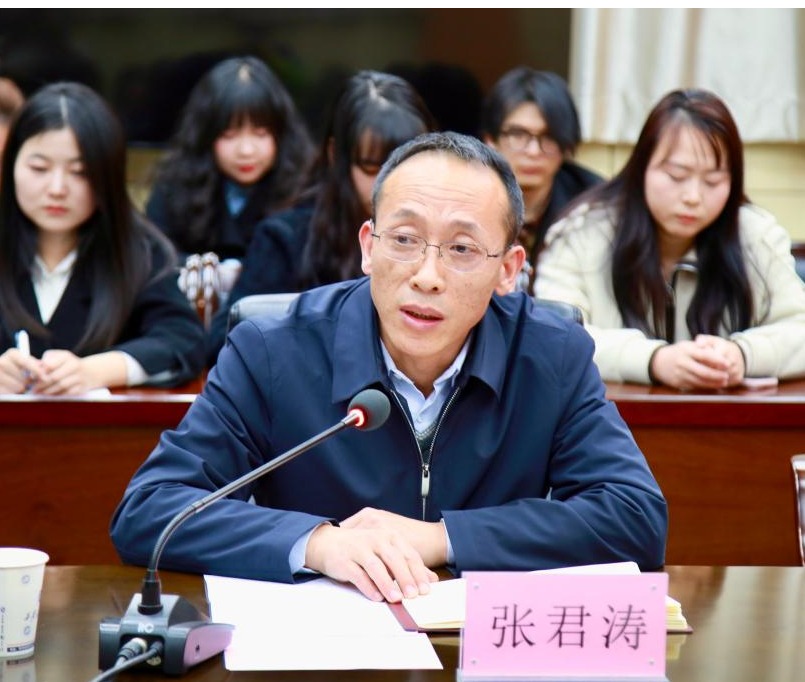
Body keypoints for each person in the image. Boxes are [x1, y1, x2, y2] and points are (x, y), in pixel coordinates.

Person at [110, 131, 668, 605]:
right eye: (404, 239)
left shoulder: (551, 354)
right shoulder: (273, 350)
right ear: (368, 247)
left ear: (508, 270)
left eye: (462, 249)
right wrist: (319, 543)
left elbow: (635, 517)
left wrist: (443, 539)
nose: (427, 276)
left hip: (476, 649)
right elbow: (151, 510)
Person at [534, 88, 805, 390]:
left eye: (713, 180)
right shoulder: (581, 234)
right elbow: (552, 337)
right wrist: (653, 360)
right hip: (607, 416)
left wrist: (742, 355)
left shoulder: (756, 236)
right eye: (677, 176)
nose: (693, 197)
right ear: (642, 168)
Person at [204, 69, 437, 365]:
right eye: (371, 167)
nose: (391, 183)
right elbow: (226, 342)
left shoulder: (448, 237)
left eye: (406, 166)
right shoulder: (286, 239)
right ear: (335, 154)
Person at [0, 82, 205, 395]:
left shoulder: (140, 252)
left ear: (107, 177)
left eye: (80, 172)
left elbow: (183, 340)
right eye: (39, 168)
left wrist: (96, 370)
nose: (57, 188)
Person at [145, 55, 314, 262]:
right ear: (206, 135)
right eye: (229, 135)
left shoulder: (306, 190)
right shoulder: (173, 186)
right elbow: (156, 259)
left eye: (260, 134)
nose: (246, 150)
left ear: (281, 135)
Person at [481, 67, 603, 292]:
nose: (534, 151)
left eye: (548, 137)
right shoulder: (468, 196)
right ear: (491, 140)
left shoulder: (593, 205)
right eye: (518, 134)